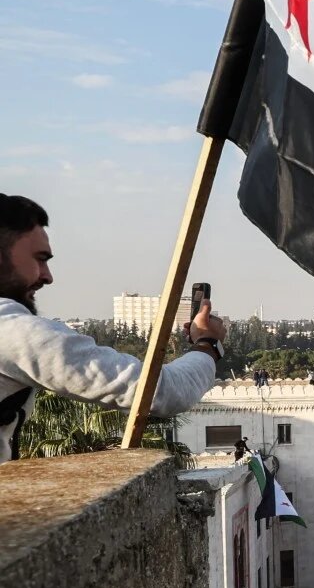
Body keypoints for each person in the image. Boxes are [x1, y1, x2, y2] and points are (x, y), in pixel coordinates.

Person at [0, 193, 227, 461]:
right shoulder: (10, 330)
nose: (47, 276)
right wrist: (208, 345)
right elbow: (158, 391)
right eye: (39, 259)